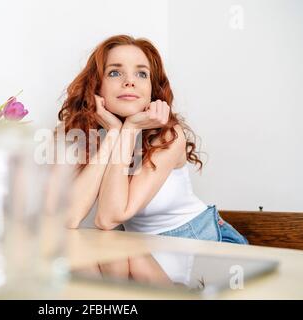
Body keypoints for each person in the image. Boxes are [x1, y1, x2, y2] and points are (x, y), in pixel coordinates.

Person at [57, 34, 248, 244]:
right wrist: (113, 132)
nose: (129, 81)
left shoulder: (168, 135)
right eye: (114, 72)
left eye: (141, 74)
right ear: (96, 87)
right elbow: (69, 217)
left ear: (152, 90)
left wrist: (130, 128)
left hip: (204, 238)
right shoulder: (94, 136)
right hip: (150, 253)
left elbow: (108, 218)